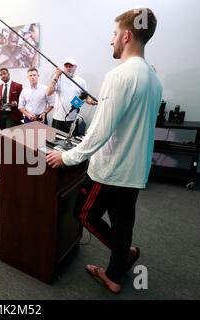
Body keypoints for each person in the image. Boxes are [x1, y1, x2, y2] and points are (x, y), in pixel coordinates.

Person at [46, 8, 162, 294]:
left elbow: (100, 131)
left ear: (126, 35)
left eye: (113, 34)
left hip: (111, 169)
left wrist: (67, 156)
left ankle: (121, 258)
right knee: (123, 222)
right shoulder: (153, 77)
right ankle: (114, 273)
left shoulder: (119, 76)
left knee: (83, 214)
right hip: (135, 170)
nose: (111, 41)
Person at [46, 57, 97, 135]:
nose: (68, 68)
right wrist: (56, 76)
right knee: (56, 143)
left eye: (71, 66)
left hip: (73, 119)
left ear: (75, 67)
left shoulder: (81, 81)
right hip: (58, 119)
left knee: (70, 143)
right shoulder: (58, 79)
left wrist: (91, 101)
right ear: (63, 68)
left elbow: (85, 97)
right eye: (66, 66)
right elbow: (48, 92)